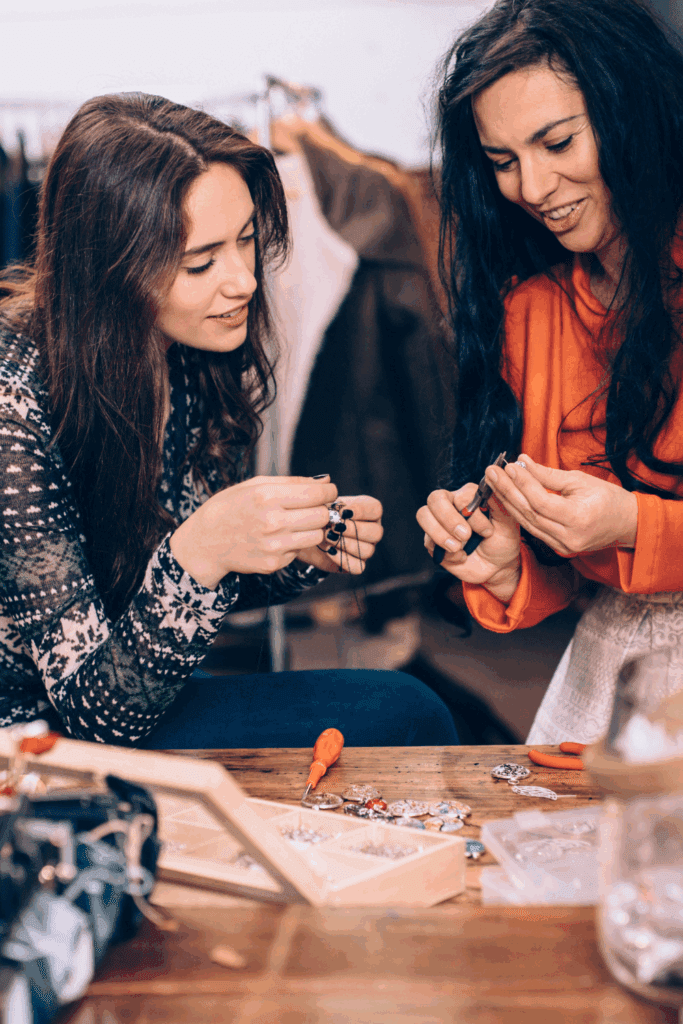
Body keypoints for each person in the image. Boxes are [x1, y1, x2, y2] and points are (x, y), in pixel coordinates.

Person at [0, 92, 458, 749]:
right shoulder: (13, 410)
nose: (243, 280)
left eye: (246, 241)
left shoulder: (175, 348)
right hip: (31, 732)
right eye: (201, 262)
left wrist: (290, 553)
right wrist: (206, 545)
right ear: (110, 268)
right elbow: (95, 712)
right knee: (402, 712)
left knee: (407, 709)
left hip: (122, 697)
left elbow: (155, 593)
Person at [418, 0, 683, 744]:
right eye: (502, 161)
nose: (531, 188)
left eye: (557, 142)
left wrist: (633, 522)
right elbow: (572, 579)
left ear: (631, 114)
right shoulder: (529, 313)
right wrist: (506, 565)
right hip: (614, 662)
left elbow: (626, 535)